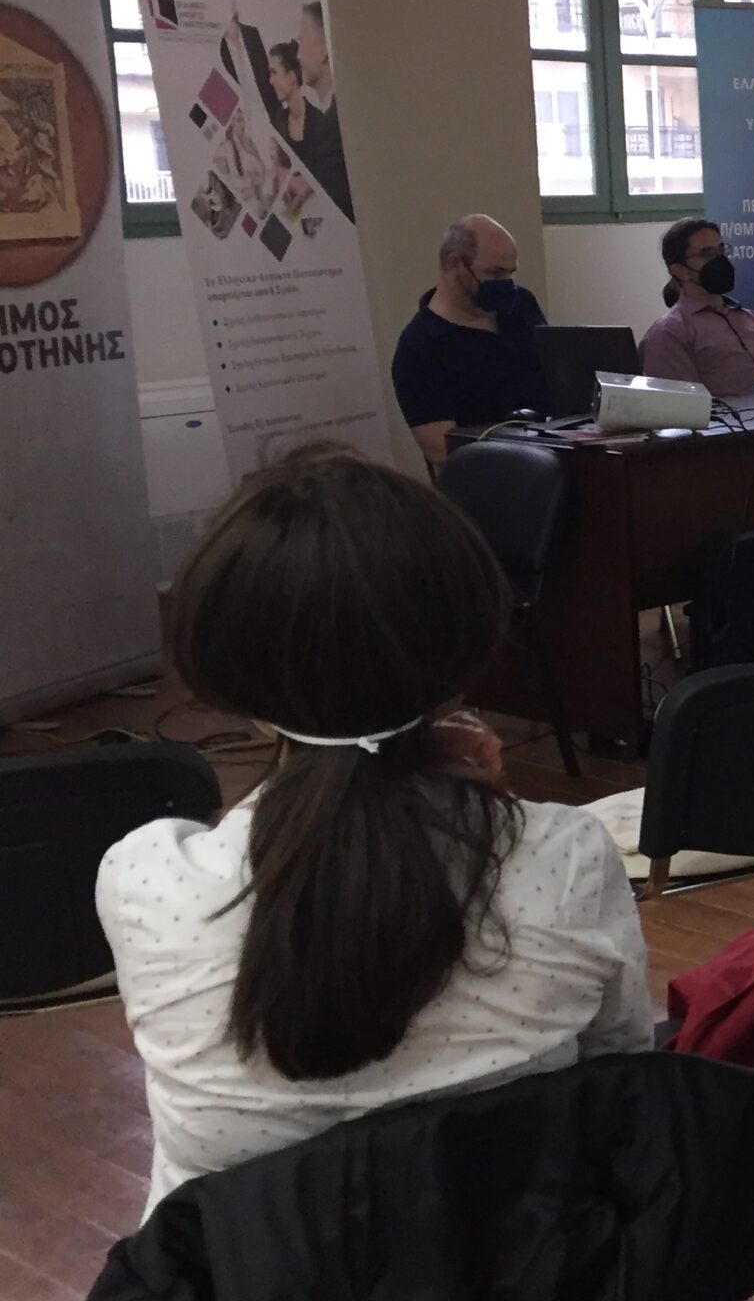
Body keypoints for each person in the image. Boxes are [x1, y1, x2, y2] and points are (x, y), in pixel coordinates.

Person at [95, 447, 651, 1216]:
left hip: (241, 1286)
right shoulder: (567, 859)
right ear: (463, 646)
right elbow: (619, 1069)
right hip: (517, 1277)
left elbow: (307, 853)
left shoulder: (143, 879)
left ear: (226, 664)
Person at [390, 214, 549, 465]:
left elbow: (556, 377)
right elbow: (442, 450)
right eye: (495, 273)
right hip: (498, 474)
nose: (506, 284)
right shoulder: (419, 348)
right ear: (454, 264)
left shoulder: (521, 306)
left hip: (559, 450)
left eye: (510, 273)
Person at [638, 216, 754, 398]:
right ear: (680, 271)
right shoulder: (669, 333)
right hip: (726, 417)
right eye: (706, 254)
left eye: (721, 250)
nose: (719, 260)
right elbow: (681, 406)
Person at [243, 31, 352, 220]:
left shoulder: (320, 124)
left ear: (292, 76)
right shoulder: (278, 122)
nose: (270, 80)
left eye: (274, 73)